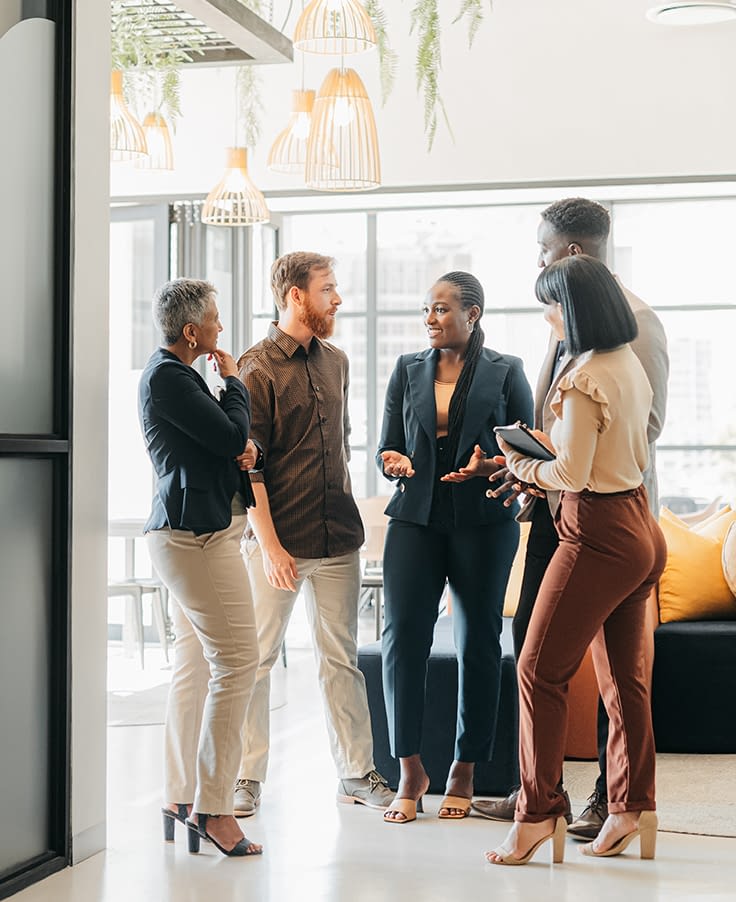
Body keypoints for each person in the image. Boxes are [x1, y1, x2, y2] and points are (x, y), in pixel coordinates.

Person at [472, 197, 669, 840]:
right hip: (631, 523)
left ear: (571, 270)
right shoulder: (615, 359)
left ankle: (539, 811)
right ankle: (631, 807)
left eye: (547, 294)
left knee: (537, 669)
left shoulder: (599, 362)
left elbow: (583, 465)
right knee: (621, 683)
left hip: (596, 521)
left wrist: (527, 467)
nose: (545, 312)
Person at [232, 251, 394, 817]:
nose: (338, 298)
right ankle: (244, 777)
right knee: (256, 660)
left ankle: (356, 771)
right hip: (280, 544)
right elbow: (246, 466)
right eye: (328, 287)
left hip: (339, 539)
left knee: (341, 659)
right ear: (296, 295)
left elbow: (340, 448)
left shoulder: (337, 362)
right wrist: (271, 546)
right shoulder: (255, 369)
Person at [377, 271, 534, 824]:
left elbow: (529, 452)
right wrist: (392, 461)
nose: (430, 318)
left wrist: (490, 463)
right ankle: (410, 767)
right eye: (427, 309)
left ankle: (465, 766)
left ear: (473, 313)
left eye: (441, 309)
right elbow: (386, 446)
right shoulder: (406, 369)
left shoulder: (507, 370)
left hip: (484, 523)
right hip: (414, 521)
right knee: (401, 641)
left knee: (478, 644)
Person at [139, 278, 262, 857]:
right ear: (192, 331)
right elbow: (230, 434)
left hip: (194, 534)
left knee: (197, 666)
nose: (219, 328)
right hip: (196, 540)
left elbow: (225, 445)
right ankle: (214, 807)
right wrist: (234, 381)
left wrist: (240, 445)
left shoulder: (180, 378)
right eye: (213, 319)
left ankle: (179, 795)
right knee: (238, 662)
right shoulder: (170, 377)